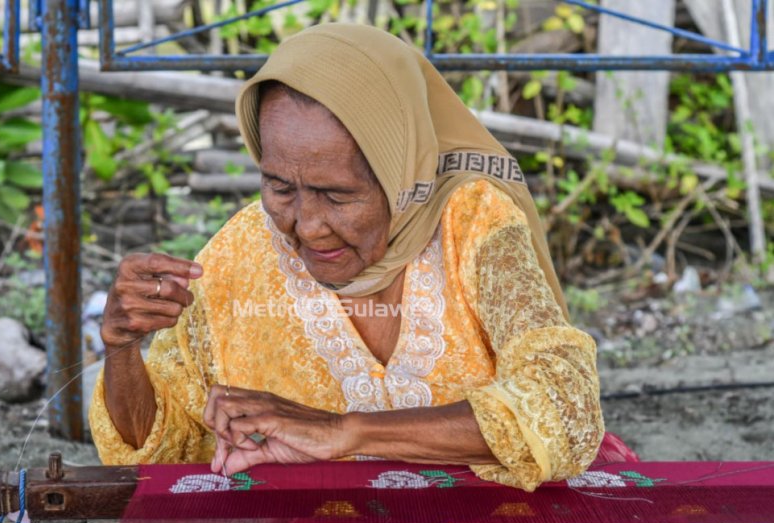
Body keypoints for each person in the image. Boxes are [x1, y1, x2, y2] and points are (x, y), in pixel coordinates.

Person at [89, 23, 610, 492]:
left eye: (337, 195)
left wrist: (342, 430)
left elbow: (564, 411)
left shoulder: (474, 221)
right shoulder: (239, 253)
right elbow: (164, 449)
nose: (307, 226)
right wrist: (121, 349)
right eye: (279, 187)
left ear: (400, 173)